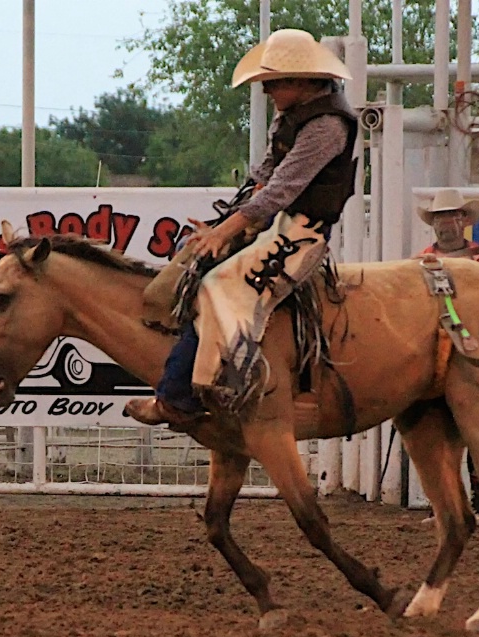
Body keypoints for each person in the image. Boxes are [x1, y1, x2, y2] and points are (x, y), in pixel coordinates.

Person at [126, 28, 358, 426]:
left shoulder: (327, 127)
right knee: (197, 264)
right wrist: (227, 221)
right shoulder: (294, 114)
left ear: (300, 81)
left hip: (303, 233)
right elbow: (265, 174)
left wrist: (226, 230)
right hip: (278, 224)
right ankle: (192, 386)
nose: (267, 92)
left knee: (221, 285)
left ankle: (222, 385)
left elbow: (281, 190)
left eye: (271, 83)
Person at [417, 189, 479, 522]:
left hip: (476, 354)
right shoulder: (421, 261)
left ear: (463, 221)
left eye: (450, 217)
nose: (445, 224)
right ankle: (444, 505)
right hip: (436, 355)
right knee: (438, 431)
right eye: (439, 218)